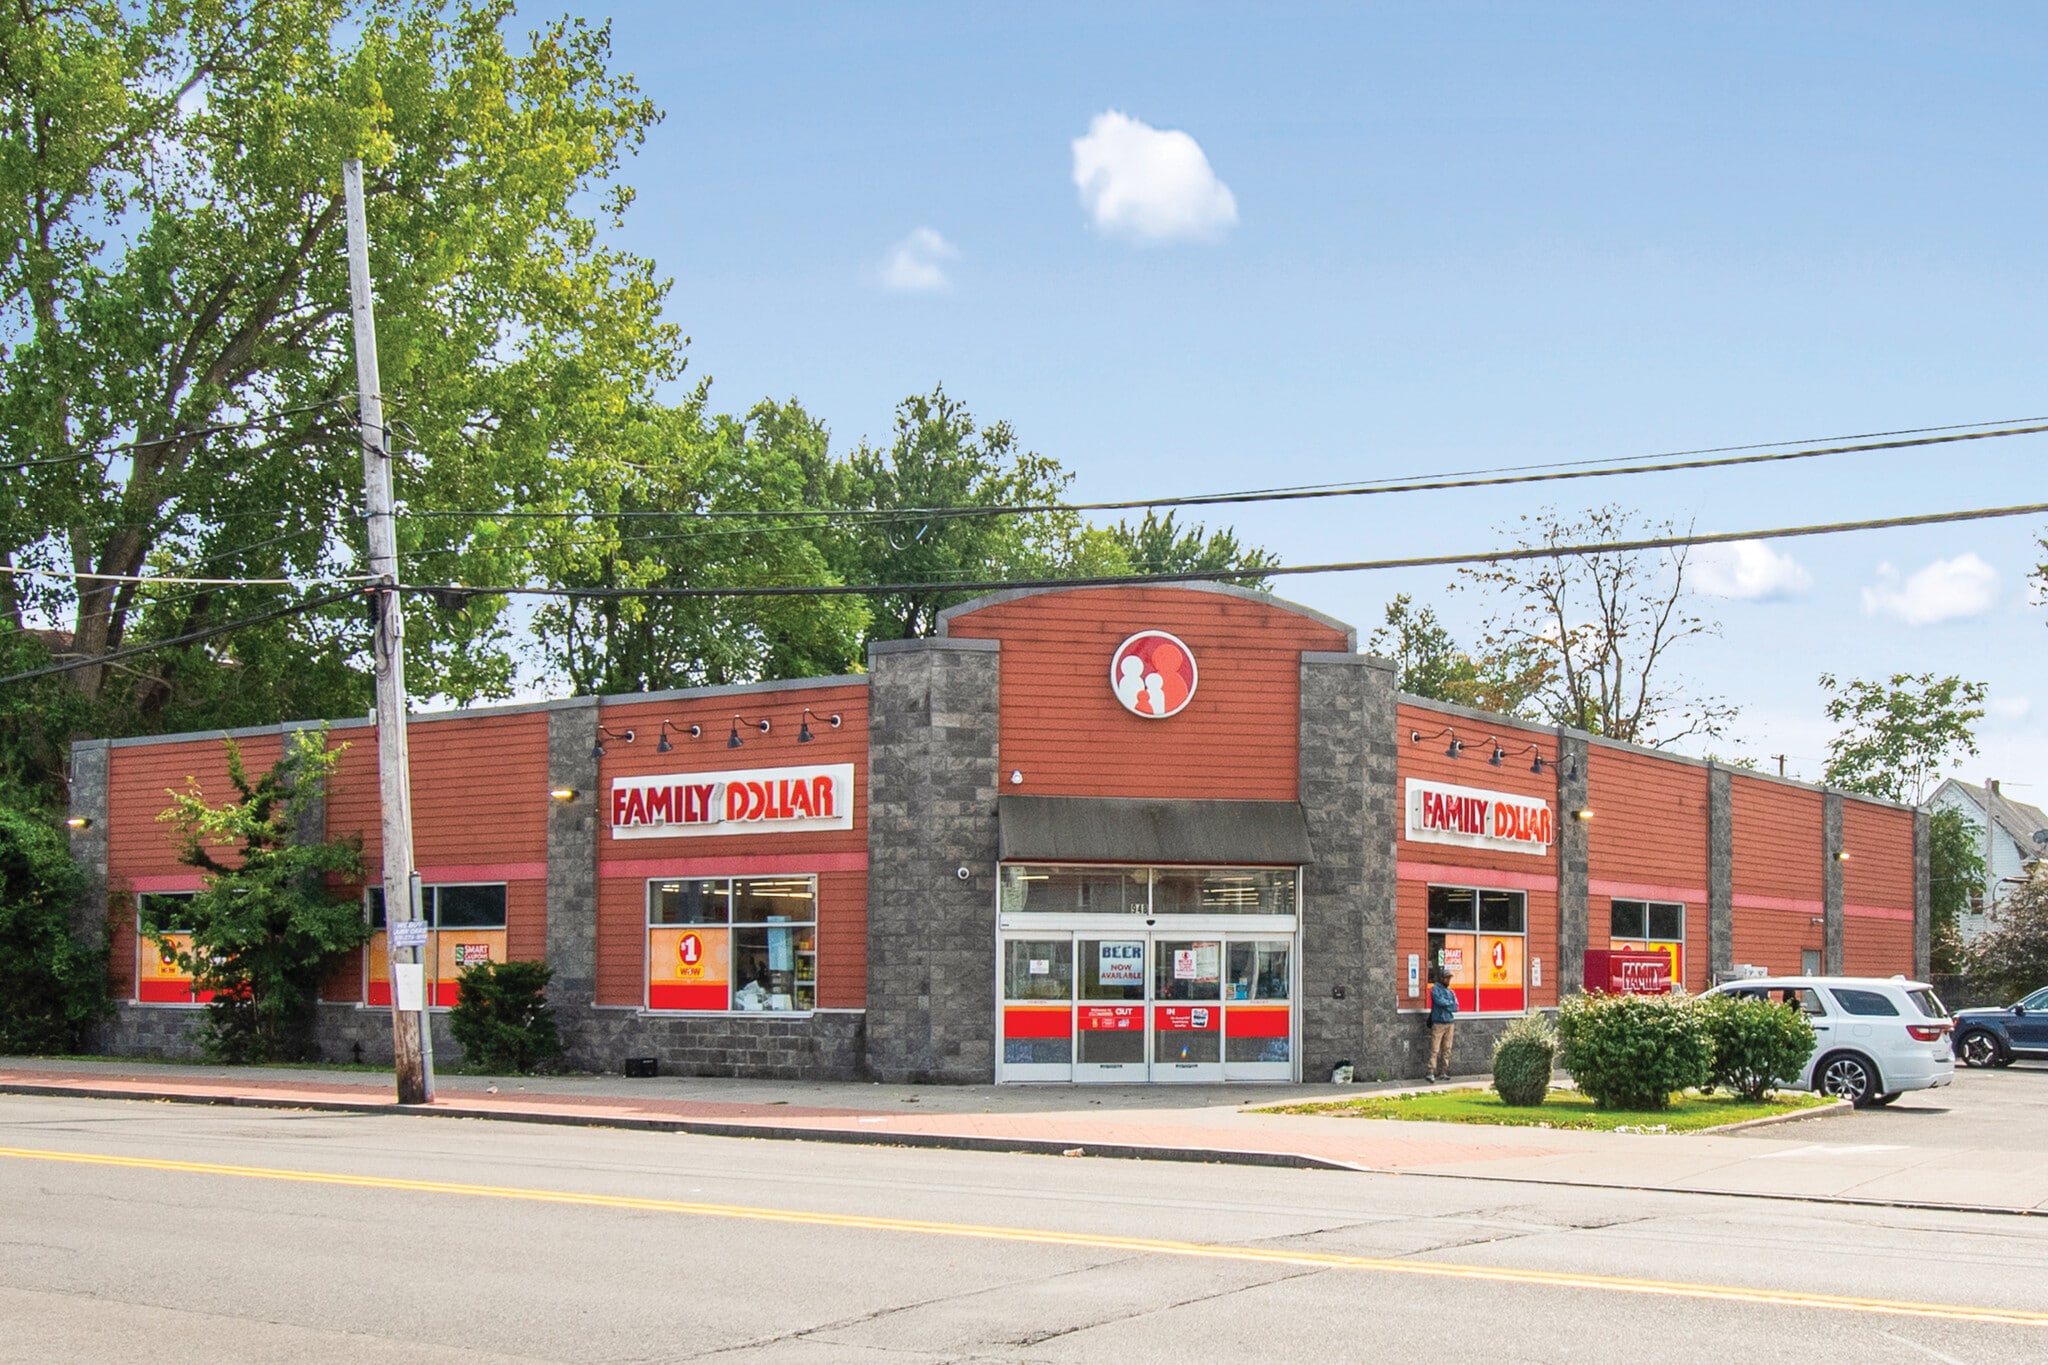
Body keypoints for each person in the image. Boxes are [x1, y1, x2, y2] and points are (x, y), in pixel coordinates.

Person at [1426, 968, 1458, 1082]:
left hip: (1449, 1023)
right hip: (1438, 1023)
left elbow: (1456, 1007)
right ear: (1441, 978)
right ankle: (1431, 1072)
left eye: (1449, 978)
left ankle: (1443, 1072)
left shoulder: (1451, 992)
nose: (1448, 980)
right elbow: (1439, 1001)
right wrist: (1449, 1004)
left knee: (1447, 1049)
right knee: (1435, 1049)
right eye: (1446, 978)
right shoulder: (1435, 989)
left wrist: (1447, 1004)